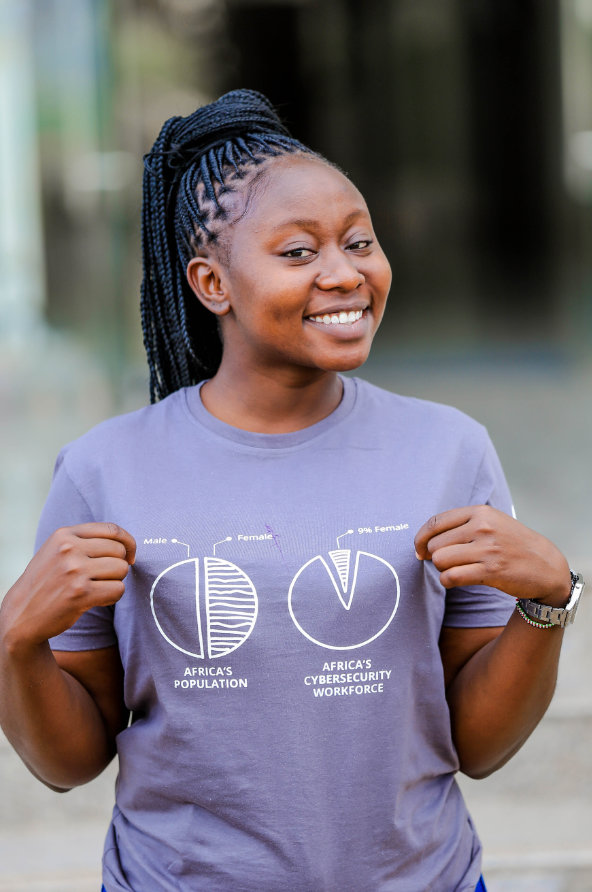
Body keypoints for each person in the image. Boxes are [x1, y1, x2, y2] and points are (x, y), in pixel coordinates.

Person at [0, 89, 584, 892]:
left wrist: (548, 602)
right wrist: (16, 643)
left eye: (359, 241)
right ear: (212, 282)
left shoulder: (449, 449)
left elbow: (478, 747)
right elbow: (69, 763)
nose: (344, 273)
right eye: (299, 252)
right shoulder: (105, 469)